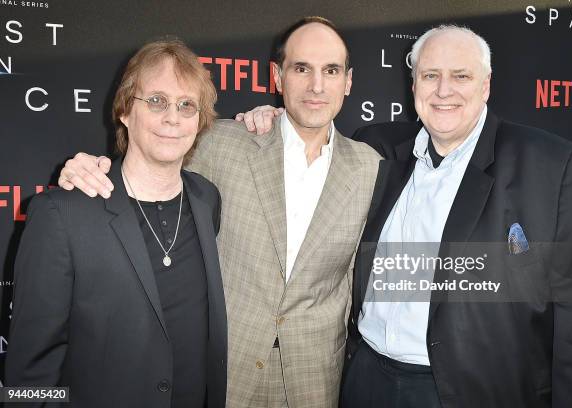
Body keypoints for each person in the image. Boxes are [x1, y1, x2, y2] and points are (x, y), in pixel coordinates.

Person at [56, 17, 380, 408]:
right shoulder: (222, 143)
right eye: (301, 68)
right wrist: (91, 168)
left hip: (315, 379)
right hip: (225, 371)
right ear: (277, 77)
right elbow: (149, 164)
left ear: (347, 81)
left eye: (330, 71)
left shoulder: (371, 168)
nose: (316, 85)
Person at [341, 25, 572, 408]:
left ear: (485, 86)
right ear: (414, 84)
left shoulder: (553, 164)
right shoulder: (378, 147)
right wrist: (270, 119)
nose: (443, 90)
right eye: (430, 75)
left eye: (461, 76)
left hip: (469, 392)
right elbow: (312, 146)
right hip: (367, 380)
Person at [5, 39, 227, 408]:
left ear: (200, 120)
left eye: (187, 105)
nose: (173, 117)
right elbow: (27, 380)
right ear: (125, 110)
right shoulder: (62, 213)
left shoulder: (207, 200)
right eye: (156, 100)